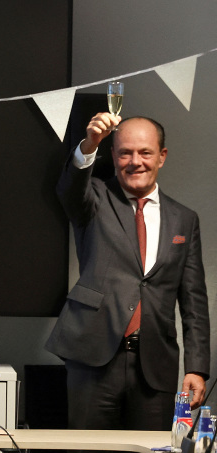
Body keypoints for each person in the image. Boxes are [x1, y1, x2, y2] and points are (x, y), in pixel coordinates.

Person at [45, 112, 210, 430]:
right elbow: (69, 187)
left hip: (155, 364)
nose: (135, 161)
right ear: (114, 155)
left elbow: (194, 303)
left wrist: (197, 367)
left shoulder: (184, 220)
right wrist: (90, 143)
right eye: (125, 152)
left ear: (161, 156)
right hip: (92, 357)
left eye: (145, 152)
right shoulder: (93, 198)